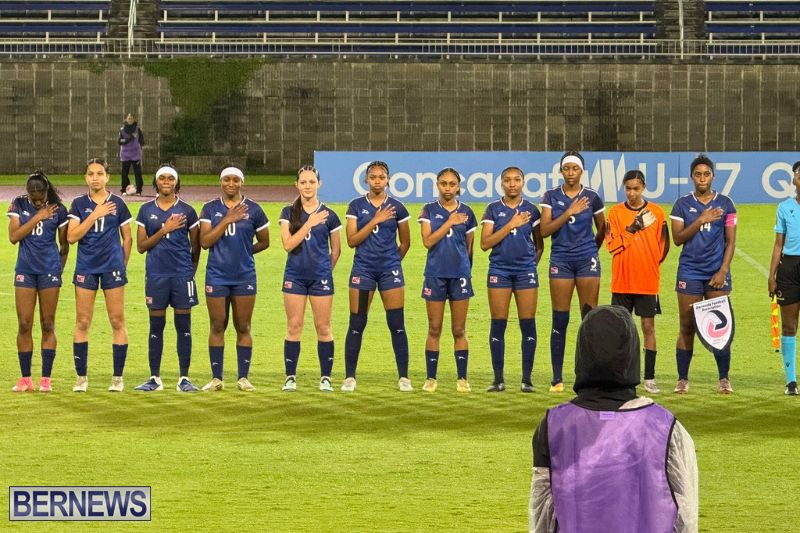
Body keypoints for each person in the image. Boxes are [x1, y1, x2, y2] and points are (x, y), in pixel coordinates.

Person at [529, 305, 698, 533]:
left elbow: (542, 516)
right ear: (632, 352)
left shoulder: (553, 425)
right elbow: (686, 517)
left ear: (582, 352)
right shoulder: (666, 427)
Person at [342, 161, 412, 392]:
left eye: (381, 177)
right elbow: (352, 241)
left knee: (397, 324)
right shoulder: (355, 206)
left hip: (389, 271)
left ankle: (404, 377)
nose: (377, 181)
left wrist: (391, 262)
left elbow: (405, 242)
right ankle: (350, 377)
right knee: (357, 323)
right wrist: (374, 220)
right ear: (366, 180)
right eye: (373, 177)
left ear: (388, 180)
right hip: (363, 270)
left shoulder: (398, 208)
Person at [540, 151, 606, 393]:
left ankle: (589, 376)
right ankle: (557, 379)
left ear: (581, 171)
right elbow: (545, 230)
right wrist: (568, 212)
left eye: (574, 169)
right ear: (561, 171)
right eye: (566, 169)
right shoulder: (551, 196)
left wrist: (590, 250)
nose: (570, 173)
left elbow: (602, 229)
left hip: (586, 260)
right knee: (560, 319)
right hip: (561, 260)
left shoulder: (592, 197)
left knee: (589, 320)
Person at [671, 154, 737, 394]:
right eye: (698, 174)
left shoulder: (727, 204)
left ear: (712, 176)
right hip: (689, 271)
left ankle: (723, 378)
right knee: (687, 325)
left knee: (721, 327)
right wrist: (701, 219)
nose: (702, 178)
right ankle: (682, 379)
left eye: (706, 174)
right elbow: (677, 239)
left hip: (716, 274)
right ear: (692, 177)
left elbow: (730, 242)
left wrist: (722, 270)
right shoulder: (681, 204)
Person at [199, 166, 269, 392]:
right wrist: (228, 219)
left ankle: (243, 377)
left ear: (242, 182)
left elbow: (264, 241)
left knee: (243, 326)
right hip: (217, 275)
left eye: (235, 180)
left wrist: (245, 252)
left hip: (244, 275)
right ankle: (216, 378)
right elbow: (205, 242)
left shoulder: (255, 210)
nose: (231, 183)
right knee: (217, 325)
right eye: (227, 179)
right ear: (221, 182)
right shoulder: (210, 209)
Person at [67, 158, 132, 392]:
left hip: (112, 268)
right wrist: (95, 214)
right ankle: (81, 378)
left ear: (107, 177)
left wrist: (121, 264)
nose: (95, 177)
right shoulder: (78, 204)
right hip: (86, 268)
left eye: (100, 173)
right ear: (86, 178)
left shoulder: (118, 203)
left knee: (117, 320)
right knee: (83, 321)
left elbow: (128, 238)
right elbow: (71, 237)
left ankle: (117, 378)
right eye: (91, 174)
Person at [134, 165, 201, 393]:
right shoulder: (145, 210)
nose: (166, 181)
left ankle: (184, 378)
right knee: (156, 327)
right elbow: (141, 247)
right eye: (162, 178)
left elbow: (197, 245)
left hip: (181, 276)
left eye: (170, 178)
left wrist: (189, 272)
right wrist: (165, 229)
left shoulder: (188, 211)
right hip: (156, 276)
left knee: (184, 327)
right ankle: (155, 378)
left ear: (176, 182)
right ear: (156, 182)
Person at [605, 170, 669, 394]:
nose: (632, 193)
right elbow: (611, 246)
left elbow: (664, 247)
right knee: (621, 330)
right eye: (628, 188)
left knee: (648, 328)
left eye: (636, 188)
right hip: (622, 282)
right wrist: (633, 228)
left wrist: (648, 264)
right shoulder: (614, 213)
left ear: (643, 188)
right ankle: (620, 377)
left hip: (647, 282)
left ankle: (649, 378)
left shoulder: (658, 213)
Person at [480, 166, 544, 392]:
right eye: (507, 180)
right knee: (498, 324)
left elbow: (539, 246)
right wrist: (510, 225)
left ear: (523, 182)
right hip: (499, 271)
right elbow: (485, 244)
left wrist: (528, 267)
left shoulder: (532, 211)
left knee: (528, 324)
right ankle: (498, 380)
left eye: (517, 180)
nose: (512, 184)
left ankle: (527, 380)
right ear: (502, 184)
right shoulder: (493, 209)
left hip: (525, 273)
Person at [278, 165, 341, 392]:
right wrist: (309, 223)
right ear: (296, 185)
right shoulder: (288, 213)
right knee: (294, 326)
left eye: (312, 182)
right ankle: (290, 377)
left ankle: (326, 378)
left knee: (323, 327)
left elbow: (336, 251)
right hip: (294, 276)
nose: (307, 186)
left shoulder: (330, 216)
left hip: (320, 278)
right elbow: (288, 245)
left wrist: (324, 271)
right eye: (303, 182)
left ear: (319, 184)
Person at [7, 171, 69, 392]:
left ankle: (46, 379)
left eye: (40, 194)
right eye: (32, 195)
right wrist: (38, 216)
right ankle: (25, 379)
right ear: (27, 192)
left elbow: (64, 246)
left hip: (48, 271)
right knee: (24, 323)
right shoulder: (18, 204)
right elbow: (14, 237)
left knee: (47, 323)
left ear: (46, 191)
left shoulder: (59, 209)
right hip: (25, 269)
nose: (36, 198)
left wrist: (58, 271)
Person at [419, 168, 478, 393]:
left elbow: (470, 246)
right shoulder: (429, 210)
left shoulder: (468, 212)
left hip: (460, 275)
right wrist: (449, 222)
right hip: (435, 274)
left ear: (458, 187)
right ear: (437, 185)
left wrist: (465, 270)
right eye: (444, 183)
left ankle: (462, 378)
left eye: (452, 184)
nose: (448, 188)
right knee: (434, 328)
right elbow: (427, 241)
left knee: (459, 329)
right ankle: (431, 378)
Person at [768, 160, 800, 396]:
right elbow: (778, 244)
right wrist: (772, 275)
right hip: (789, 268)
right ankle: (791, 381)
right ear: (794, 179)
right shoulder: (784, 207)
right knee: (789, 326)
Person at [119, 113, 144, 195]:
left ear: (134, 120)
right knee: (124, 173)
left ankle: (139, 190)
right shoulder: (122, 130)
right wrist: (130, 138)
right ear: (126, 119)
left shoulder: (138, 129)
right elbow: (120, 141)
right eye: (128, 118)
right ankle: (123, 189)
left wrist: (140, 148)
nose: (130, 120)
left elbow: (142, 141)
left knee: (138, 173)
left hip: (135, 154)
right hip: (125, 154)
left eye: (131, 118)